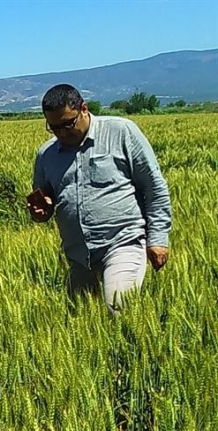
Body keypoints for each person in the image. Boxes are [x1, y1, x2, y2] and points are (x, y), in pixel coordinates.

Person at [28, 84, 171, 313]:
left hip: (122, 242)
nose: (62, 133)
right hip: (78, 255)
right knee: (78, 322)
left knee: (118, 309)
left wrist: (158, 239)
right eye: (53, 128)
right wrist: (41, 211)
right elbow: (43, 200)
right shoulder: (46, 154)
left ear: (83, 109)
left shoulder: (121, 132)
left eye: (67, 124)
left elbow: (154, 187)